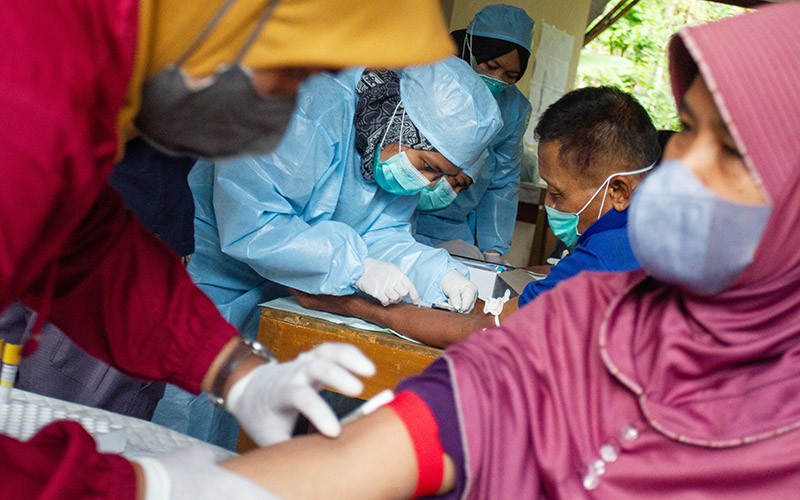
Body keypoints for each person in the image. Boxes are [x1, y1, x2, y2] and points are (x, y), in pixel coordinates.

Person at [208, 5, 800, 498]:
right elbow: (434, 421)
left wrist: (417, 275)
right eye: (689, 129)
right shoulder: (590, 309)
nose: (680, 172)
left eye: (735, 153)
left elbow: (385, 237)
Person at [1, 0, 455, 496]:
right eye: (295, 70)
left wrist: (234, 371)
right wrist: (136, 484)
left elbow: (85, 244)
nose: (291, 107)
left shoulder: (104, 75)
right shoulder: (29, 90)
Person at [153, 56, 502, 447]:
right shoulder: (311, 108)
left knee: (245, 432)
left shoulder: (383, 143)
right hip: (215, 279)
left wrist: (435, 271)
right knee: (183, 413)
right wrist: (353, 265)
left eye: (439, 175)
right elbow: (253, 223)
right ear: (400, 119)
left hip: (282, 293)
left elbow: (383, 232)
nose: (426, 182)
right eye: (426, 165)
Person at [295, 85, 660, 347]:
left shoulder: (610, 255)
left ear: (618, 191)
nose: (549, 203)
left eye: (558, 193)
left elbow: (489, 333)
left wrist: (358, 308)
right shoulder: (652, 231)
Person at [414, 4, 534, 264]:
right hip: (403, 213)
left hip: (453, 226)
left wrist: (494, 250)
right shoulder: (431, 76)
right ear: (471, 48)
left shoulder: (513, 109)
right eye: (491, 66)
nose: (498, 78)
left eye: (511, 75)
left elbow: (503, 181)